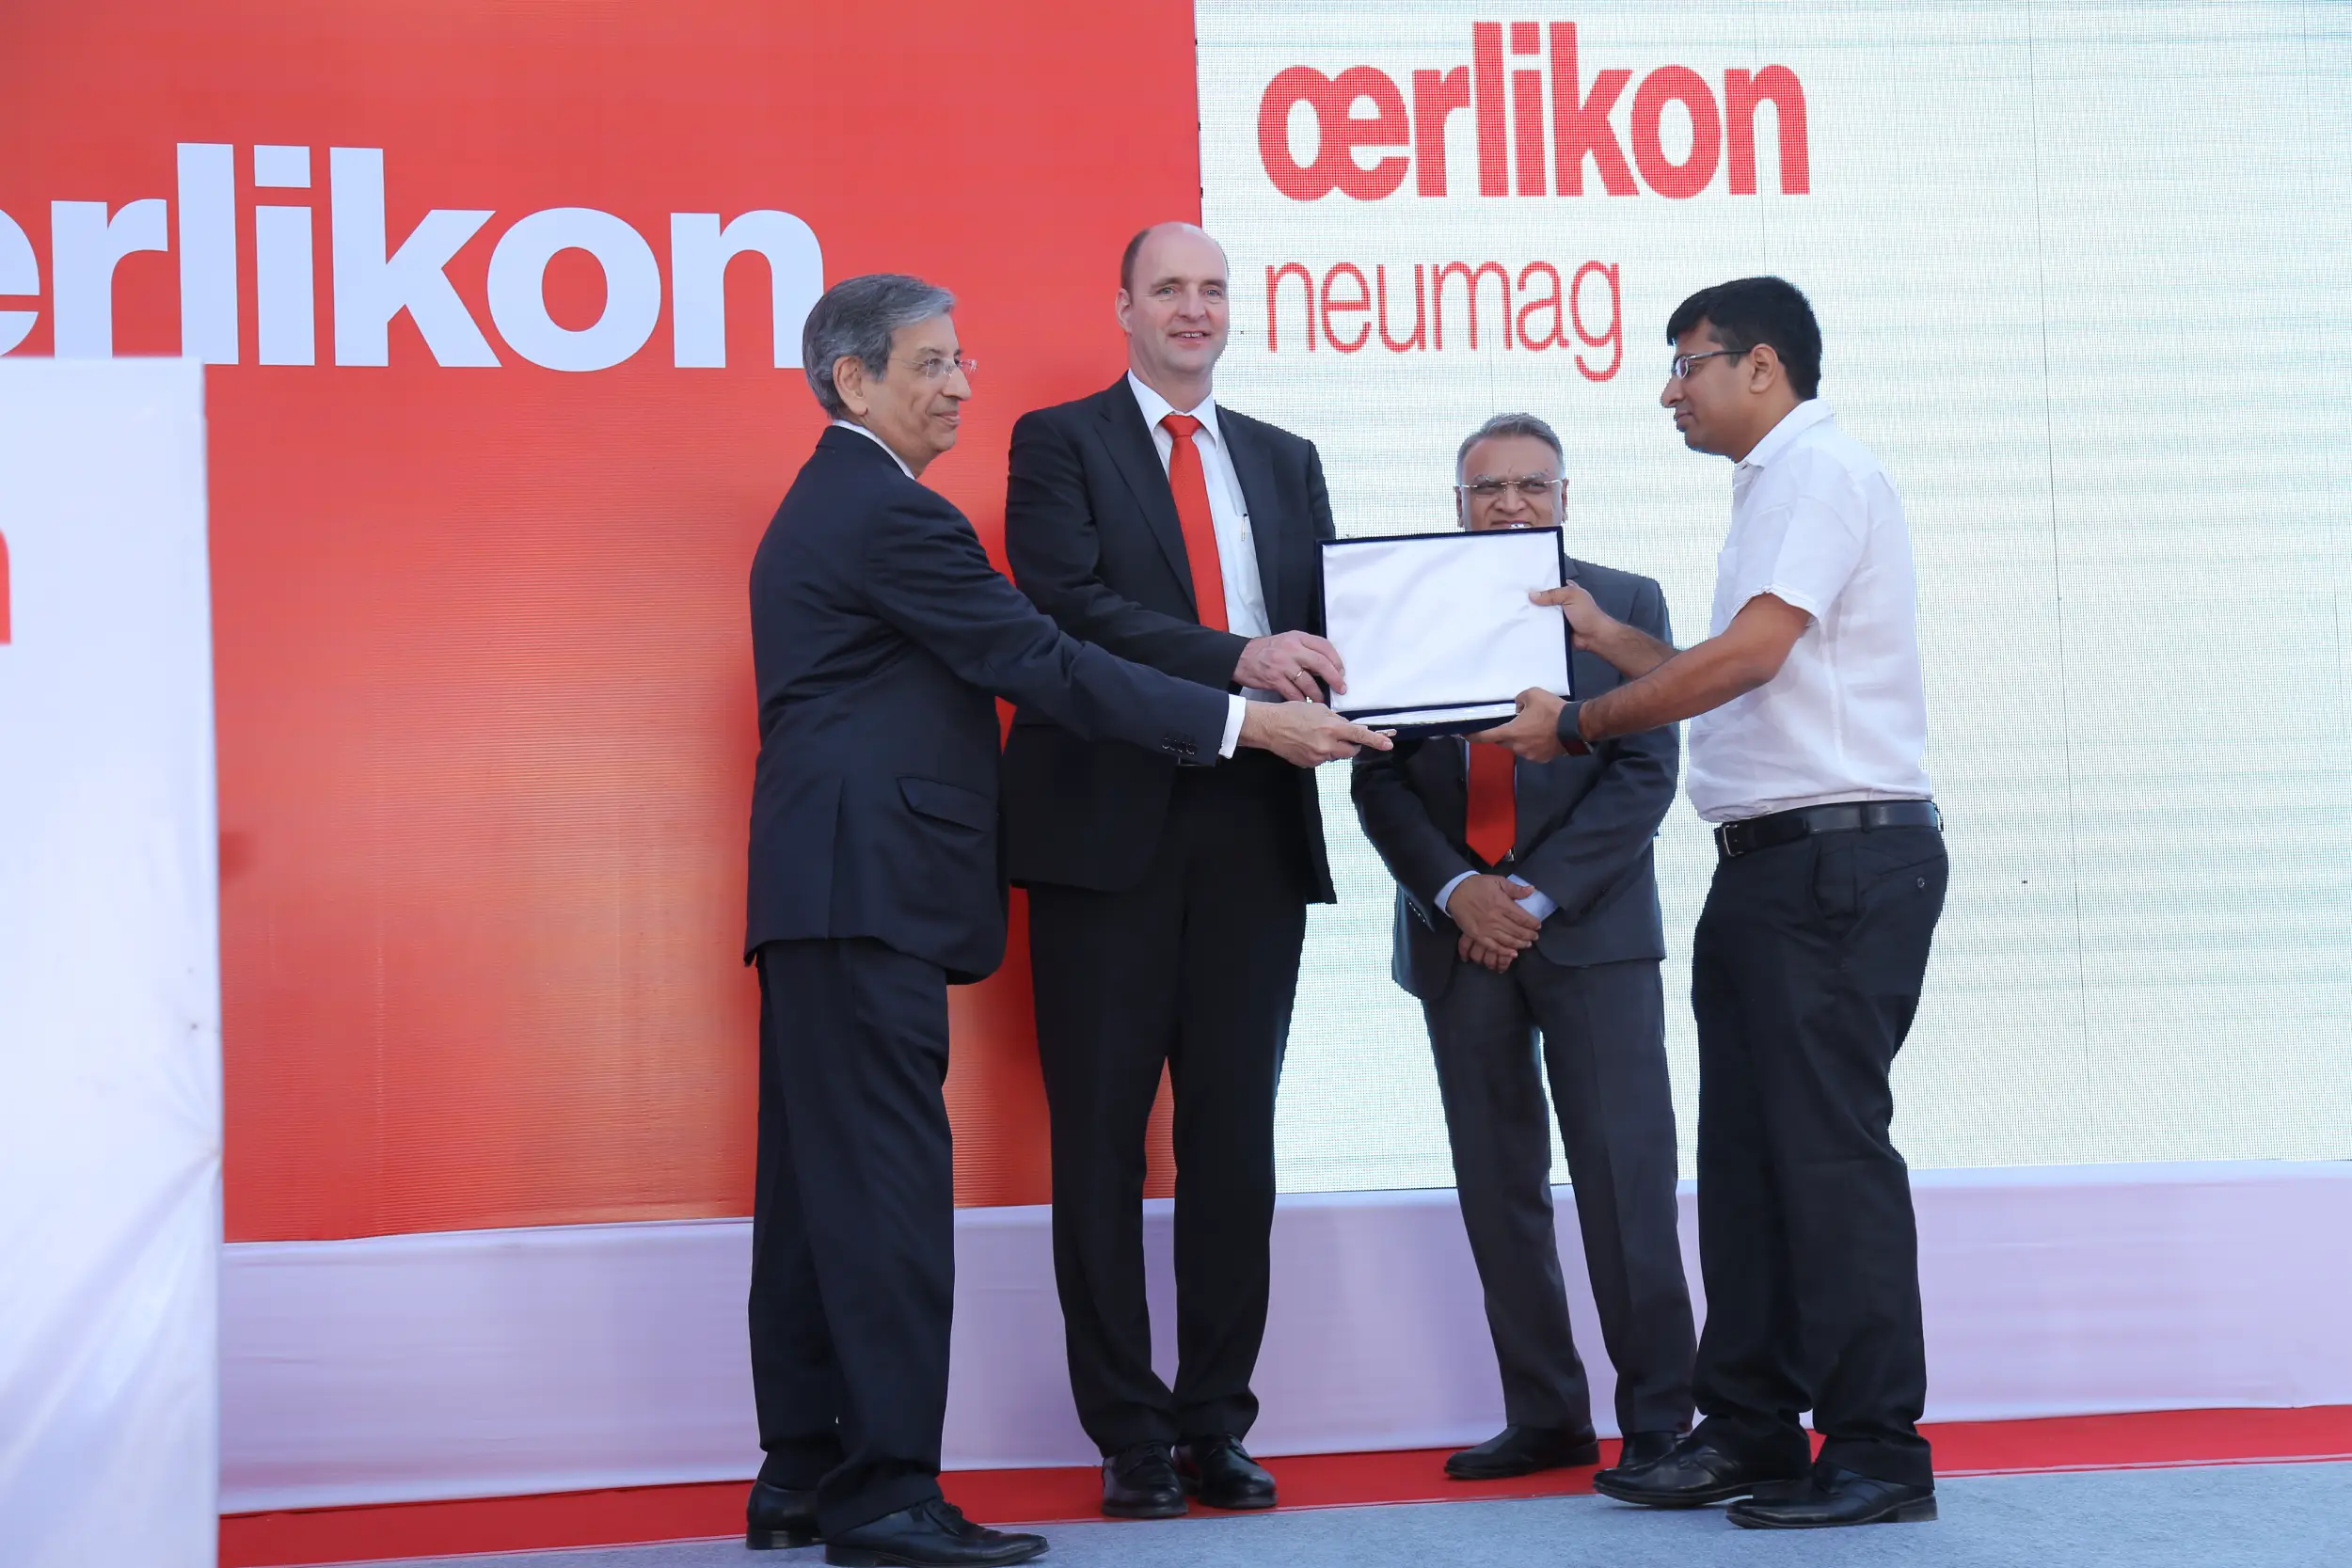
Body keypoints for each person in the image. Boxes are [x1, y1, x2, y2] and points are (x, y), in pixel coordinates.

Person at [742, 273, 1385, 1568]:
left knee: (818, 1197)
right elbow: (1041, 659)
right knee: (882, 1195)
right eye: (932, 363)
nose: (960, 385)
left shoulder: (838, 501)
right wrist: (1247, 722)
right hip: (868, 886)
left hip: (826, 891)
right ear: (853, 378)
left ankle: (804, 1473)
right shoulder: (888, 511)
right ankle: (886, 1492)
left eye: (962, 359)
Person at [1476, 277, 1946, 1529]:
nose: (1668, 391)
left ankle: (1877, 1449)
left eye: (1687, 364)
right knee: (1743, 1165)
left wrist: (1579, 718)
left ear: (1764, 366)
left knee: (1827, 1158)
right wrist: (1605, 636)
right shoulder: (1771, 485)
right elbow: (1731, 670)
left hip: (1836, 861)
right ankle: (1749, 1426)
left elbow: (1748, 657)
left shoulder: (1818, 473)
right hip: (1772, 865)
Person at [999, 223, 1345, 1519]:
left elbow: (1336, 626)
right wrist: (1235, 661)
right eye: (1168, 289)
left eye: (1211, 289)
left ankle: (1216, 1420)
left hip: (1255, 824)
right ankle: (1129, 1432)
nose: (1193, 309)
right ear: (1124, 308)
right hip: (1106, 832)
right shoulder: (1058, 441)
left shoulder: (1286, 457)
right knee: (1099, 1142)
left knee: (1233, 1140)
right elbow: (1068, 606)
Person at [1350, 413, 1696, 1485]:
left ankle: (1660, 1420)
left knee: (1625, 1179)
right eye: (1488, 488)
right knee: (1496, 1183)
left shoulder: (1624, 605)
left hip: (1589, 934)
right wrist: (1463, 893)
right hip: (1458, 938)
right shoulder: (1399, 606)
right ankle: (1545, 1414)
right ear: (1457, 505)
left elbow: (1646, 773)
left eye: (1531, 486)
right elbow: (1378, 777)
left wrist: (1531, 896)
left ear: (1564, 497)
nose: (1510, 503)